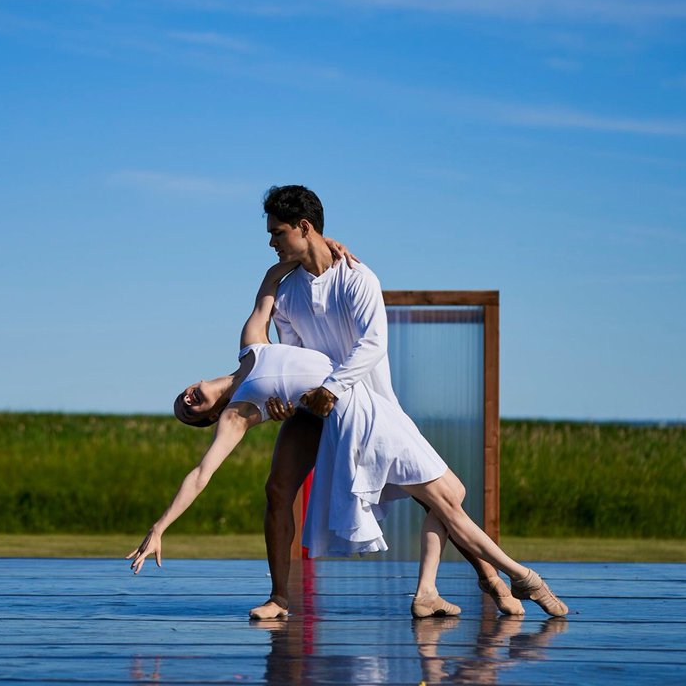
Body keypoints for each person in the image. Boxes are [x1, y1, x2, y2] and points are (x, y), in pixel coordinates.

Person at [125, 263, 569, 621]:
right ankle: (518, 577)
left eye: (182, 398)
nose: (187, 402)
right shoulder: (238, 416)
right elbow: (201, 474)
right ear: (210, 418)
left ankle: (459, 586)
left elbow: (271, 278)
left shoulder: (250, 345)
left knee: (447, 498)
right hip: (344, 417)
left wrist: (330, 246)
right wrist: (160, 527)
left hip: (360, 404)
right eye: (189, 413)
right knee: (443, 499)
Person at [253, 185, 539, 620]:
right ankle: (279, 598)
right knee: (277, 489)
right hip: (314, 407)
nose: (271, 242)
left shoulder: (358, 277)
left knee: (440, 499)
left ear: (304, 228)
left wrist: (332, 388)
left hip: (368, 406)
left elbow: (373, 344)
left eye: (277, 233)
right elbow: (293, 357)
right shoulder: (286, 292)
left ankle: (493, 582)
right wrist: (285, 401)